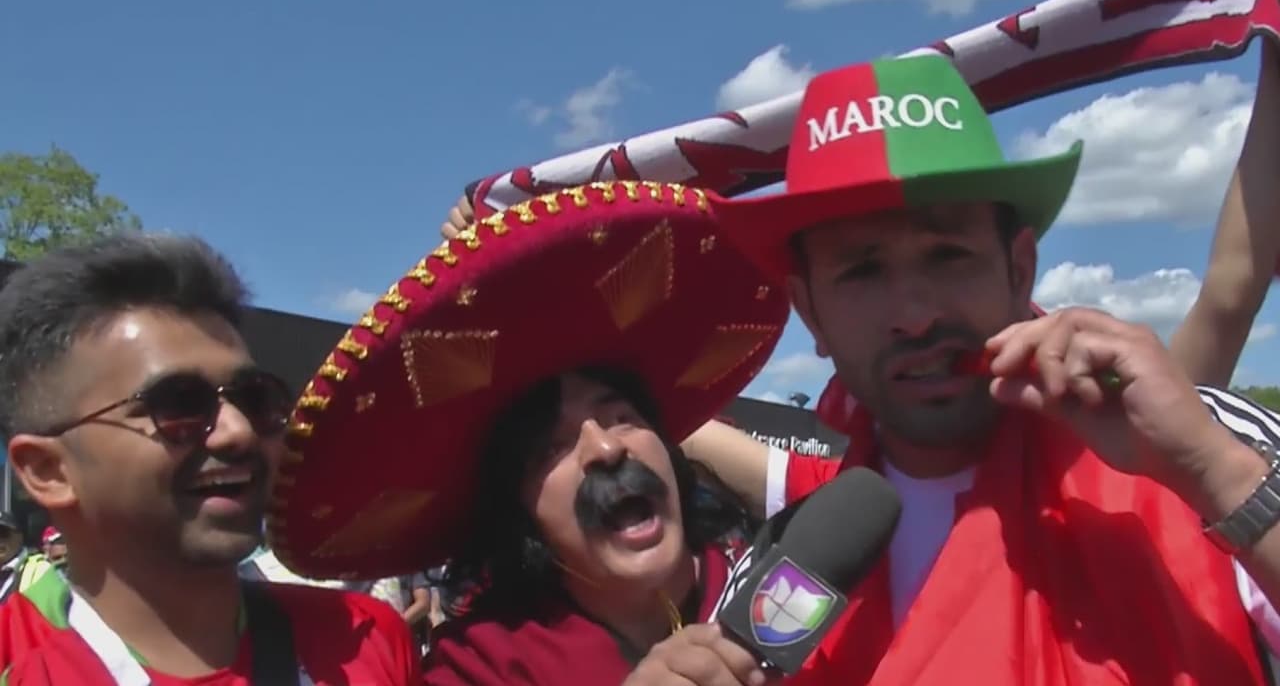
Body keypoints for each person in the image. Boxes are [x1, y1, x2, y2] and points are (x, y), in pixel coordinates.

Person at [701, 48, 1280, 684]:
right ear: (811, 312)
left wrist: (1214, 473)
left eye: (948, 254)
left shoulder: (1209, 444)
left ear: (1019, 270)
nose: (915, 315)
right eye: (862, 271)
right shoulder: (783, 571)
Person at [267, 181, 791, 684]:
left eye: (621, 417)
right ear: (518, 508)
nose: (605, 448)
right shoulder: (480, 668)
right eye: (551, 448)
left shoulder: (786, 586)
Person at [0, 233, 421, 684]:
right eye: (179, 404)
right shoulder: (18, 663)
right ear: (48, 471)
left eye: (254, 398)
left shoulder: (367, 641)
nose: (238, 431)